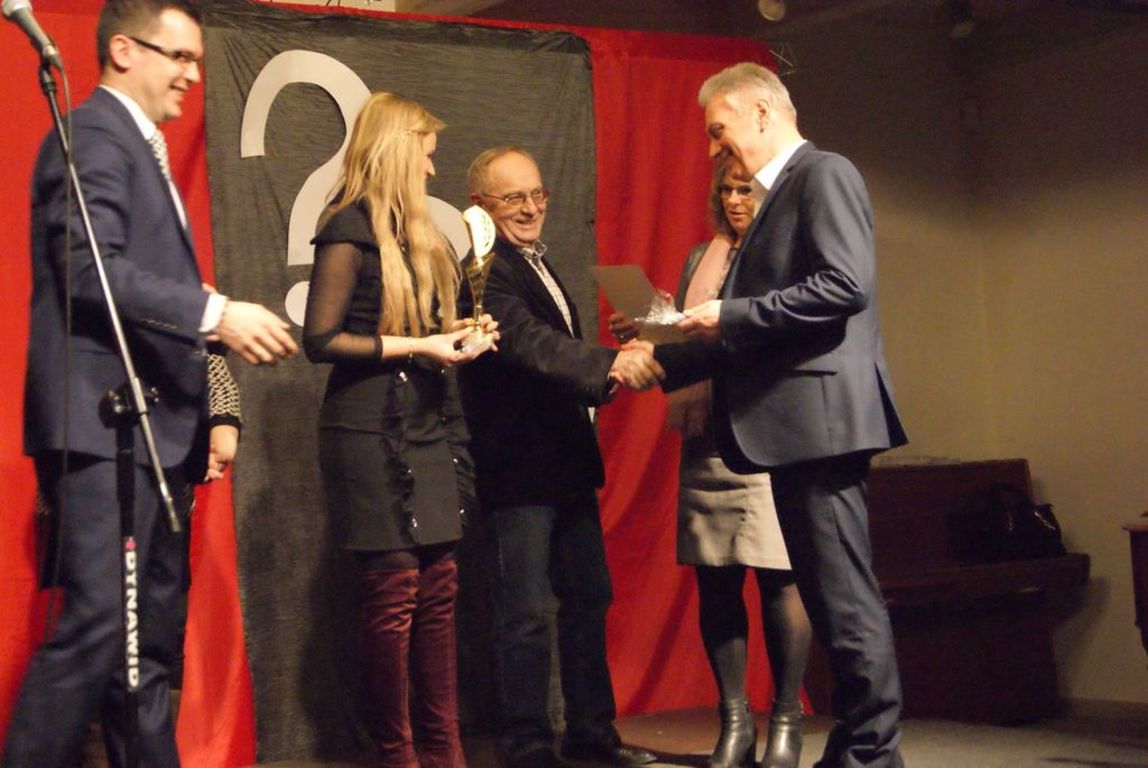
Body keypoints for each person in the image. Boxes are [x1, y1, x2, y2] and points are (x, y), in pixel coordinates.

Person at [6, 1, 298, 766]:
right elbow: (86, 268)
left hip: (151, 432)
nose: (193, 76)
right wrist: (217, 313)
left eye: (198, 60)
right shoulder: (95, 134)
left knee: (143, 646)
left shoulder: (141, 147)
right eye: (180, 57)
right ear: (124, 50)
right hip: (101, 429)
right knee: (102, 625)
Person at [655, 63, 909, 768]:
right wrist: (656, 359)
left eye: (719, 129)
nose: (713, 148)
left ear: (761, 112)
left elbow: (845, 284)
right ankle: (857, 747)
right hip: (796, 430)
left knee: (845, 601)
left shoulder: (823, 174)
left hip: (822, 426)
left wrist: (731, 314)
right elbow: (765, 325)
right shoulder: (777, 196)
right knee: (829, 602)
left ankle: (873, 755)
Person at [303, 92, 496, 768]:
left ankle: (445, 752)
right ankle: (397, 754)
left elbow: (426, 334)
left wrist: (460, 336)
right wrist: (419, 345)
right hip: (366, 432)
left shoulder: (421, 235)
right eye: (426, 155)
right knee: (394, 596)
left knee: (439, 591)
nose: (432, 169)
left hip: (427, 422)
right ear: (395, 152)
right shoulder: (347, 228)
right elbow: (321, 339)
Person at [457, 146, 662, 768]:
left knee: (588, 599)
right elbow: (529, 343)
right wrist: (611, 364)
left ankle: (591, 735)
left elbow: (552, 350)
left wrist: (623, 344)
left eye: (537, 194)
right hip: (519, 469)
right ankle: (526, 745)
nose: (530, 208)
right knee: (523, 614)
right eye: (513, 198)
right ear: (480, 207)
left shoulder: (534, 261)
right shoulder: (484, 272)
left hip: (565, 464)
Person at [609, 156, 811, 768]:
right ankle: (735, 724)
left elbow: (772, 336)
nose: (734, 201)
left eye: (746, 190)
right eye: (726, 190)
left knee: (778, 578)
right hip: (707, 437)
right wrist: (648, 327)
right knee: (715, 578)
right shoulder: (702, 256)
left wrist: (686, 336)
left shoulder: (785, 253)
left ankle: (785, 721)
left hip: (765, 433)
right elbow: (689, 340)